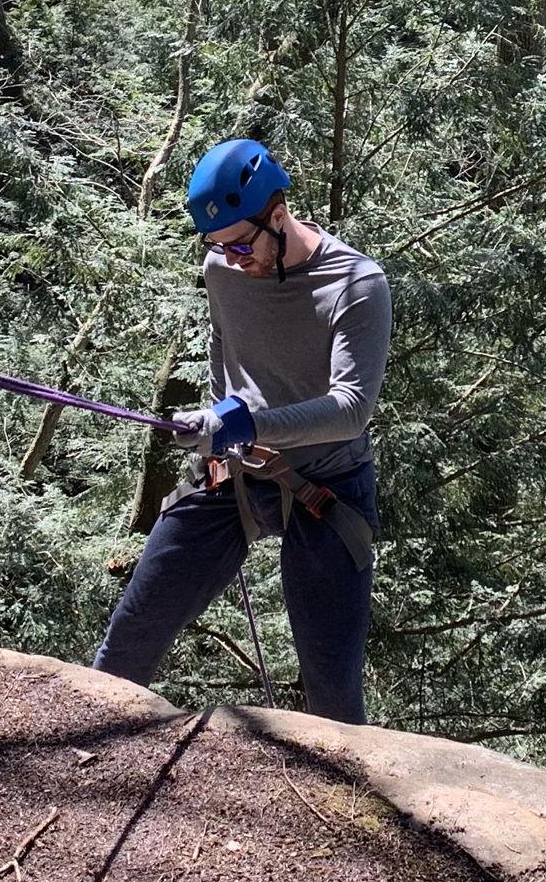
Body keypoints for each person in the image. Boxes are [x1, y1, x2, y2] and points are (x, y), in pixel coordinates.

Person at [93, 138, 390, 723]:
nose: (231, 259)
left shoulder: (356, 284)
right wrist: (212, 418)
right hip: (232, 472)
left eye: (239, 244)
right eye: (216, 246)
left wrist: (245, 422)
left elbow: (352, 408)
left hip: (326, 487)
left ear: (277, 215)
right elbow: (225, 351)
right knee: (129, 639)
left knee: (332, 689)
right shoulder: (222, 270)